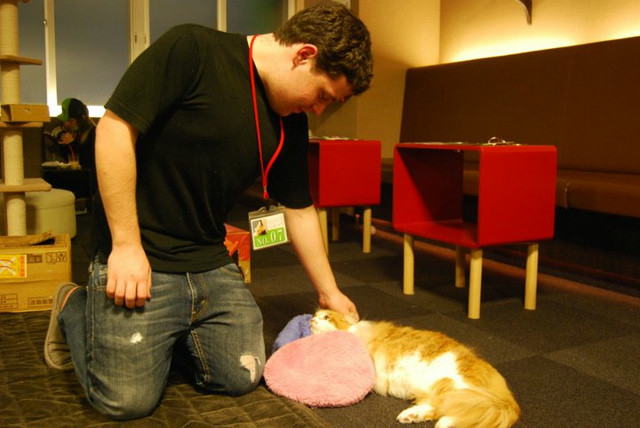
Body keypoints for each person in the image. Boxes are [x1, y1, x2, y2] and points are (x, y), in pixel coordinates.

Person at [44, 1, 373, 421]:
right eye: (324, 95)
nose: (321, 109)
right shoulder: (193, 49)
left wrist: (329, 292)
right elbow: (113, 130)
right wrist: (125, 246)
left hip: (208, 259)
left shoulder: (289, 119)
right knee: (126, 402)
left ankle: (167, 333)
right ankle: (74, 304)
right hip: (140, 253)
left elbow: (299, 208)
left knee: (242, 375)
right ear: (304, 54)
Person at [43, 98, 96, 170]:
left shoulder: (94, 133)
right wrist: (64, 145)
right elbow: (69, 159)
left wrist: (72, 143)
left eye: (71, 121)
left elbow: (88, 161)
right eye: (66, 121)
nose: (67, 124)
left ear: (82, 118)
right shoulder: (78, 132)